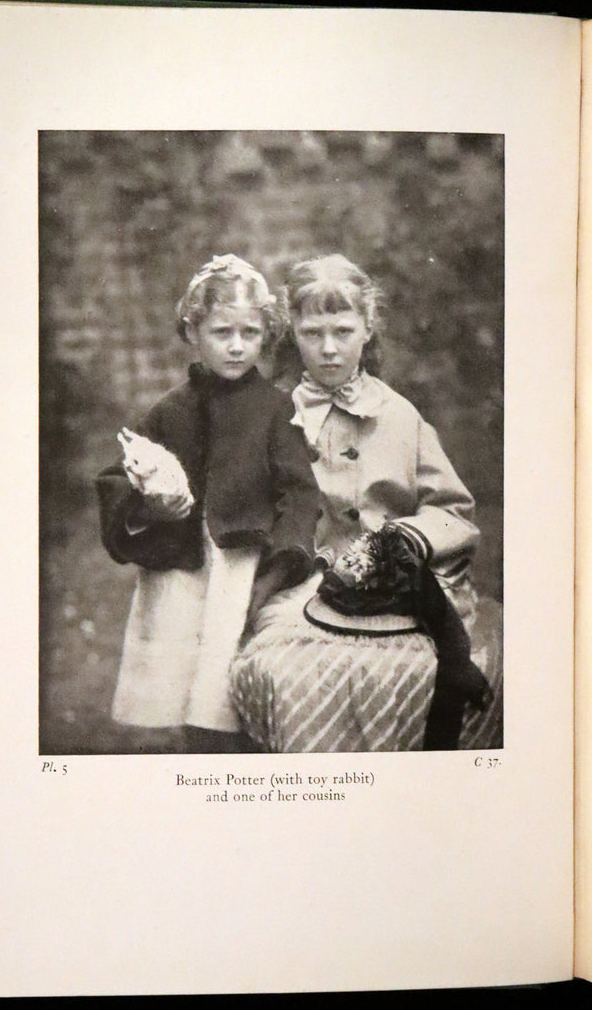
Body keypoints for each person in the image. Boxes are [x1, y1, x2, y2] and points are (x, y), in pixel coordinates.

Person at [231, 254, 503, 752]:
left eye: (343, 330)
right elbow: (246, 512)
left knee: (428, 672)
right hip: (304, 590)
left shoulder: (399, 416)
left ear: (368, 327)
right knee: (292, 674)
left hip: (399, 591)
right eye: (313, 332)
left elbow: (452, 511)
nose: (330, 349)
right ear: (292, 330)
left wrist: (410, 538)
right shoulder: (271, 416)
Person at [96, 254, 321, 753]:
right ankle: (190, 760)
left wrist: (281, 563)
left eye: (251, 332)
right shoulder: (171, 409)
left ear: (266, 334)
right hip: (180, 567)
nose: (238, 346)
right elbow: (120, 476)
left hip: (240, 568)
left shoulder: (274, 409)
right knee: (178, 686)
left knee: (228, 689)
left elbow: (300, 492)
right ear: (192, 331)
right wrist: (148, 506)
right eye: (222, 332)